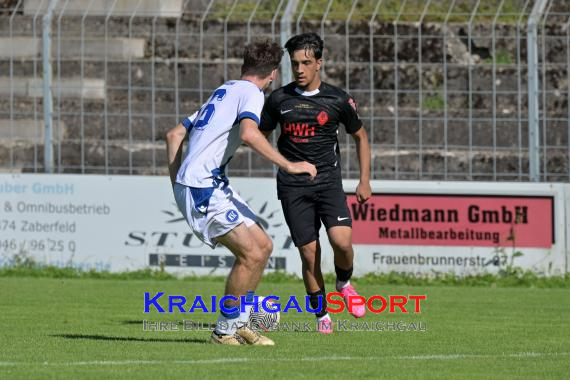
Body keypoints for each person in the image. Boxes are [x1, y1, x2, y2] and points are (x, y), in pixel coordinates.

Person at [166, 40, 316, 346]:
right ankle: (224, 332)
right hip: (203, 186)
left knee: (263, 246)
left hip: (205, 183)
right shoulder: (251, 93)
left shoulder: (224, 90)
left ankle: (240, 324)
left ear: (244, 65)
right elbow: (249, 134)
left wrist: (178, 182)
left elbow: (175, 134)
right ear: (274, 73)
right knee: (250, 253)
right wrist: (289, 165)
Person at [259, 33, 372, 334]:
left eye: (306, 63)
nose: (299, 69)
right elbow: (258, 136)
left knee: (342, 243)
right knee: (309, 254)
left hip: (328, 184)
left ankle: (344, 283)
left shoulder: (337, 99)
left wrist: (364, 180)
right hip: (293, 188)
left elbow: (360, 136)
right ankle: (322, 315)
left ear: (319, 63)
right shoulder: (278, 100)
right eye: (295, 63)